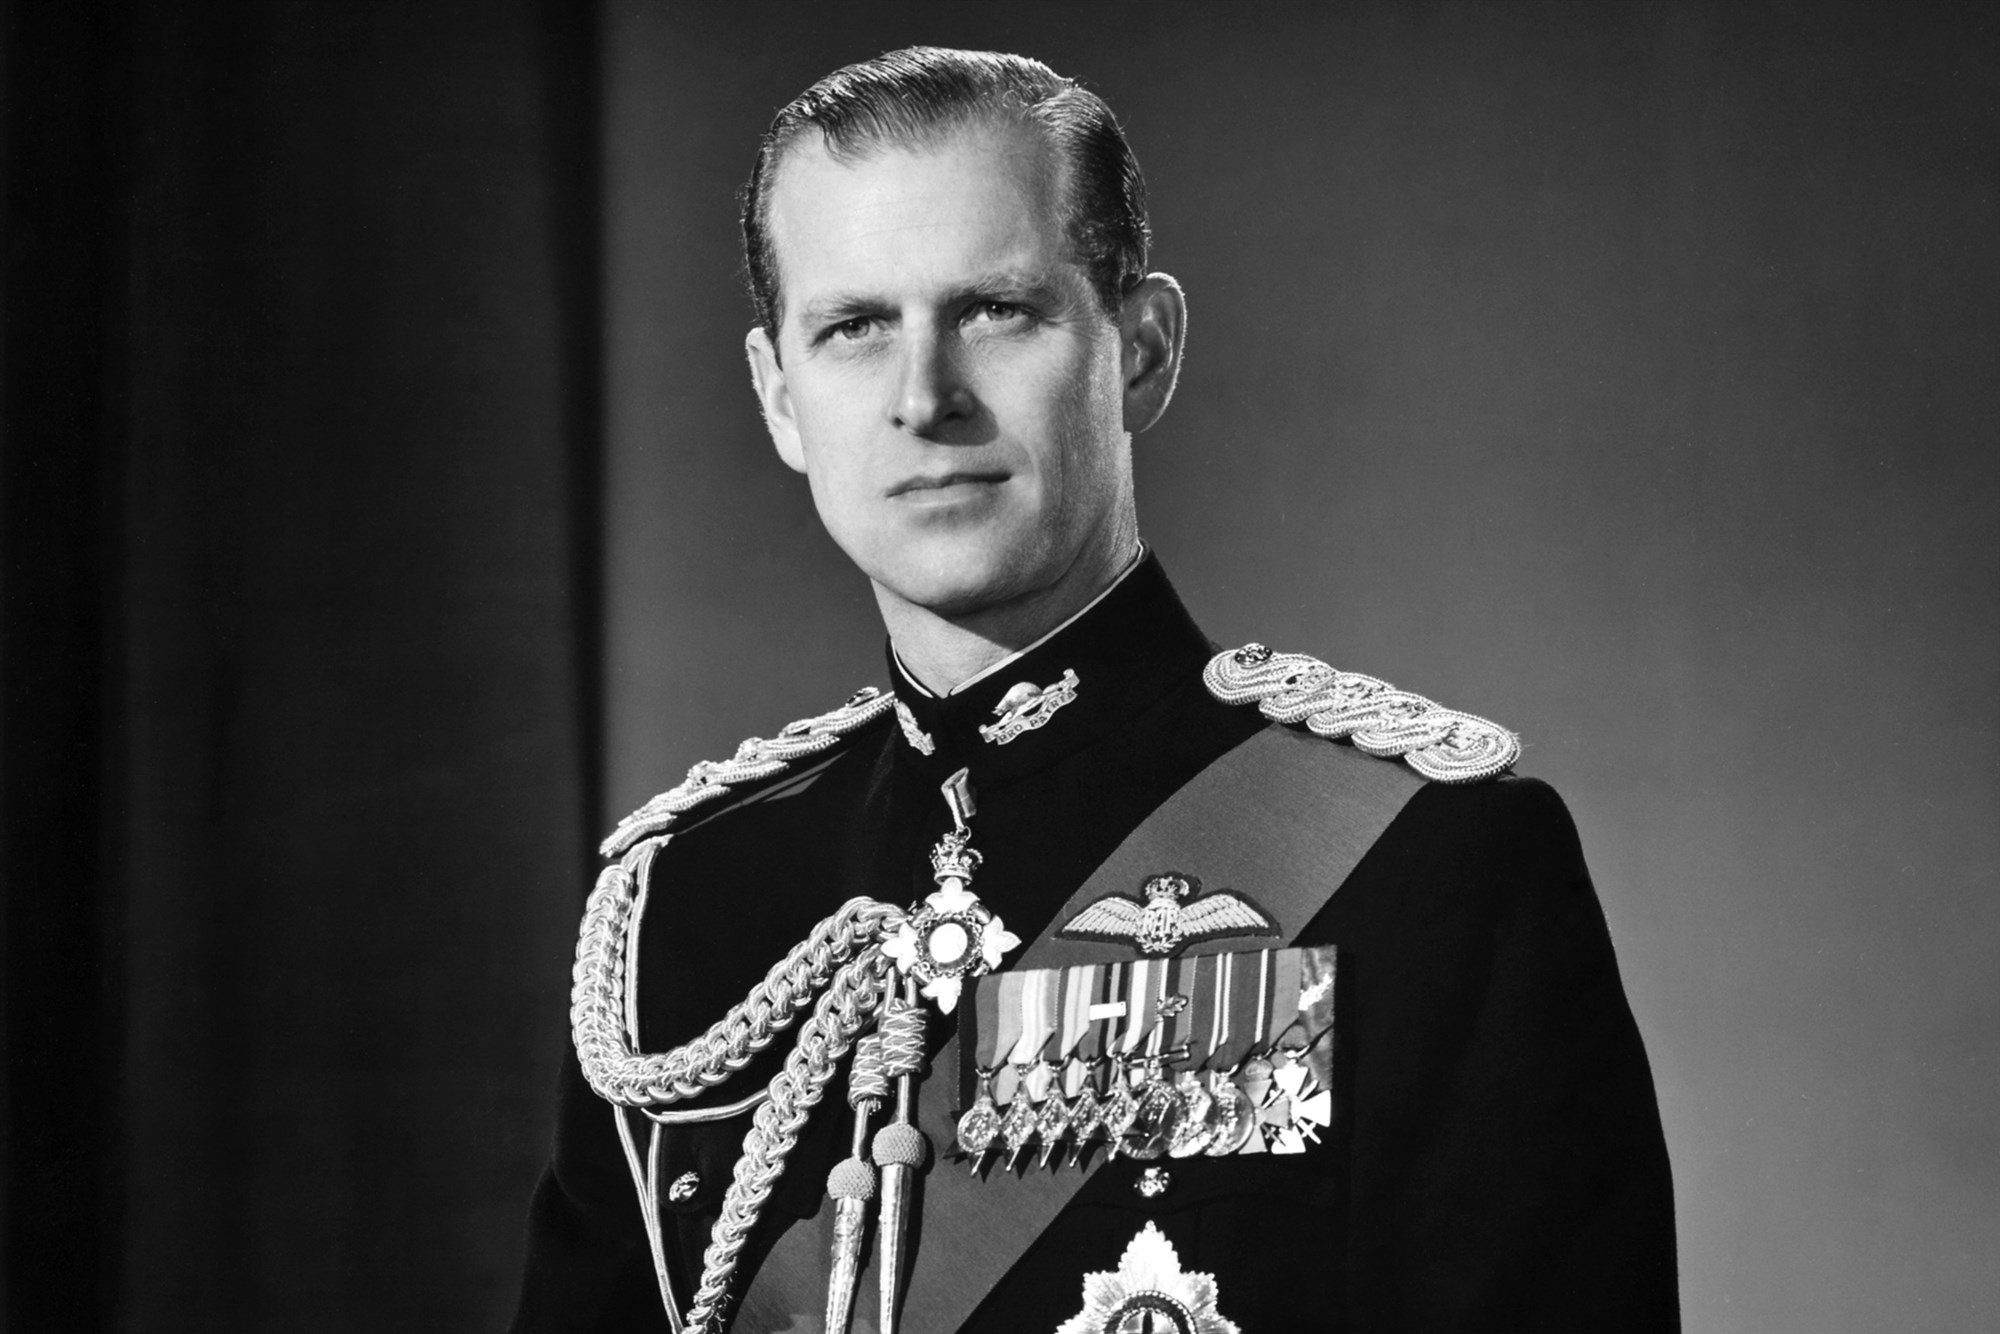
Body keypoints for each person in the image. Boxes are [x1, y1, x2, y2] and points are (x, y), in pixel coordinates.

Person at [512, 46, 1677, 1334]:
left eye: (995, 310)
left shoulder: (1426, 865)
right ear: (779, 399)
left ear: (1141, 348)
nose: (923, 398)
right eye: (854, 328)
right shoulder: (681, 914)